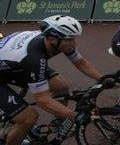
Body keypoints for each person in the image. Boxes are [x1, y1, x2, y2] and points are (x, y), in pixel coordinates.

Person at [0, 15, 103, 145]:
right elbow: (42, 100)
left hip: (15, 64)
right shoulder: (35, 58)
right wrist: (74, 116)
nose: (74, 43)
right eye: (69, 39)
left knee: (61, 87)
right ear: (53, 40)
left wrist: (104, 79)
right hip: (19, 63)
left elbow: (81, 63)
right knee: (29, 117)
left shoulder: (55, 40)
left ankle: (59, 123)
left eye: (74, 38)